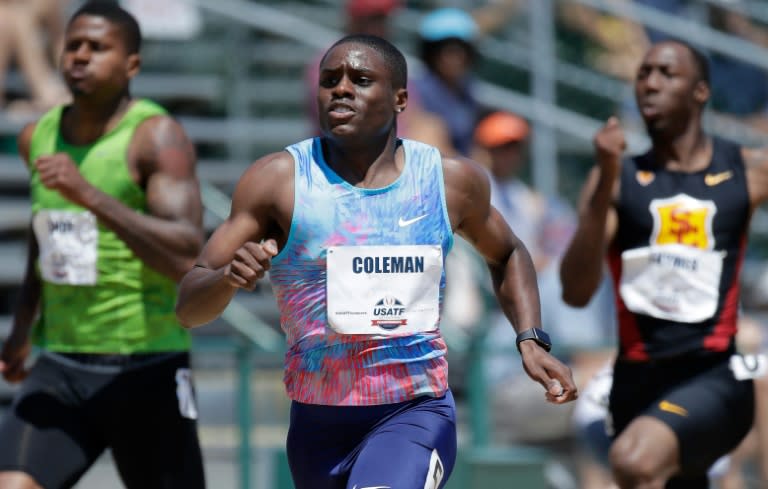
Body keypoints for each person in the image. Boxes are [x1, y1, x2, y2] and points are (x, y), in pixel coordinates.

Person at [176, 33, 577, 489]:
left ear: (401, 98)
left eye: (361, 79)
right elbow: (189, 307)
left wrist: (530, 338)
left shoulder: (449, 181)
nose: (342, 89)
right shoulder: (279, 181)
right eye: (330, 80)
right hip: (317, 423)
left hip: (415, 410)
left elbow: (508, 252)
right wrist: (228, 279)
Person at [0, 3, 205, 489]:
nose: (80, 56)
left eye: (97, 47)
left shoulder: (156, 137)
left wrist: (89, 196)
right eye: (73, 45)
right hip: (61, 364)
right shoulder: (39, 135)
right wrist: (20, 331)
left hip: (146, 365)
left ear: (131, 63)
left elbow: (185, 255)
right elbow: (43, 236)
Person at [560, 39, 762, 488]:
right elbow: (575, 292)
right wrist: (604, 183)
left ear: (701, 92)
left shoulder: (746, 171)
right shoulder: (617, 178)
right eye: (643, 73)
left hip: (714, 376)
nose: (650, 84)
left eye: (666, 74)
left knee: (635, 461)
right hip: (636, 383)